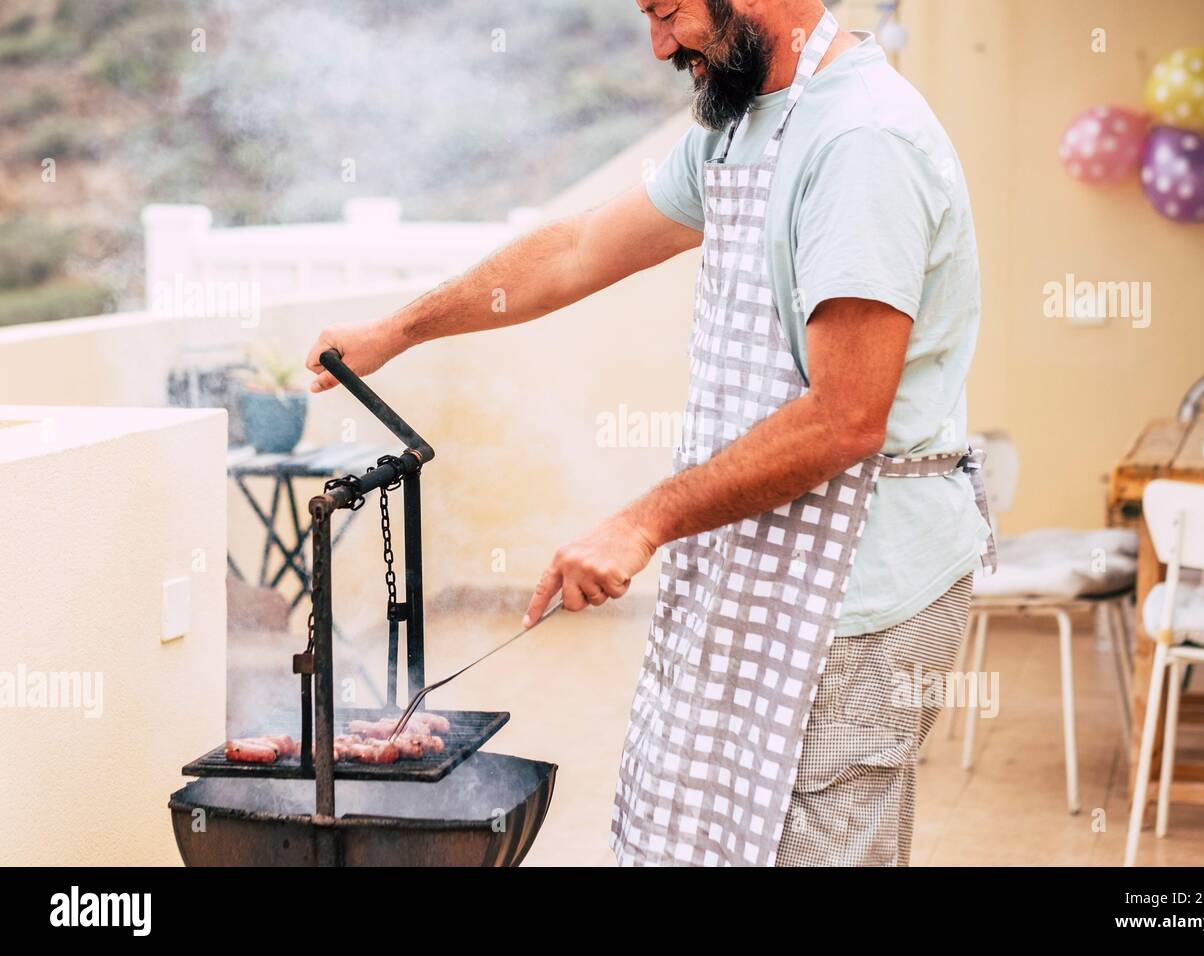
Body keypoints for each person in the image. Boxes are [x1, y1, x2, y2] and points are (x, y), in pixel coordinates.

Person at [305, 0, 993, 866]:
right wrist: (397, 332)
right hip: (758, 564)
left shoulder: (864, 142)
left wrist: (642, 522)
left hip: (858, 583)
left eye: (667, 14)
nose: (659, 46)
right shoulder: (740, 128)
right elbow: (578, 248)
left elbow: (844, 417)